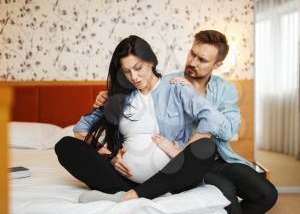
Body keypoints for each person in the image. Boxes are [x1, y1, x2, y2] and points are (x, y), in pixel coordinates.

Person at [93, 30, 278, 214]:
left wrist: (195, 100)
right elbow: (135, 118)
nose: (193, 62)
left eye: (202, 60)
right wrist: (106, 97)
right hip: (181, 162)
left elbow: (230, 130)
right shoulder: (164, 83)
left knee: (267, 194)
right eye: (192, 54)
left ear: (217, 64)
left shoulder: (226, 89)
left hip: (219, 157)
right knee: (225, 192)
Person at [55, 35, 227, 204]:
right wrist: (111, 156)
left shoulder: (176, 88)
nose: (134, 77)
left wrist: (181, 154)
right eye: (127, 72)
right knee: (65, 145)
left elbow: (213, 119)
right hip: (124, 179)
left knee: (206, 147)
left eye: (138, 68)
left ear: (151, 62)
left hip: (172, 178)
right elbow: (80, 129)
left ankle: (129, 197)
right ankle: (137, 192)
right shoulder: (118, 97)